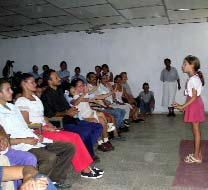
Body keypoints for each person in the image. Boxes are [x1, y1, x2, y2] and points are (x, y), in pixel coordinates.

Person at [15, 73, 104, 179]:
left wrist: (49, 124)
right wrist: (45, 127)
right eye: (32, 82)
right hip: (37, 132)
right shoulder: (22, 101)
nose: (35, 84)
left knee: (75, 136)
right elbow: (27, 124)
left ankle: (87, 166)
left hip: (46, 127)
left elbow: (42, 116)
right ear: (23, 84)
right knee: (72, 139)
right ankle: (85, 169)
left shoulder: (35, 98)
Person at [0, 78, 75, 188]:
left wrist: (36, 134)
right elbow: (5, 139)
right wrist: (25, 140)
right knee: (49, 158)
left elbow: (24, 126)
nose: (12, 91)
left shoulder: (12, 107)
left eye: (11, 89)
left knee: (69, 147)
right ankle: (37, 185)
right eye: (8, 90)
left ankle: (54, 179)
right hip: (20, 144)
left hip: (32, 138)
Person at [41, 69, 108, 154]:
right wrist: (66, 112)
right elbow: (49, 114)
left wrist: (71, 109)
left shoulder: (59, 91)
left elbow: (68, 106)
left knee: (98, 126)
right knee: (86, 131)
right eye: (56, 77)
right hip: (61, 123)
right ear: (49, 81)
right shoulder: (46, 95)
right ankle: (87, 153)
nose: (59, 78)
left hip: (72, 118)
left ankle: (86, 147)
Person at [173, 55, 205, 164]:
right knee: (195, 130)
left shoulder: (193, 79)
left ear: (192, 66)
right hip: (194, 103)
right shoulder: (194, 77)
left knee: (196, 131)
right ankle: (198, 153)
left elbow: (194, 96)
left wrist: (182, 106)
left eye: (185, 64)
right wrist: (183, 106)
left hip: (194, 104)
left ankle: (196, 156)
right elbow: (193, 96)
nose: (182, 66)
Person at [0, 125, 37, 189]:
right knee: (9, 164)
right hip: (2, 158)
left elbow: (5, 136)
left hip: (7, 152)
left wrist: (5, 140)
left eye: (3, 139)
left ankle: (29, 184)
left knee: (29, 158)